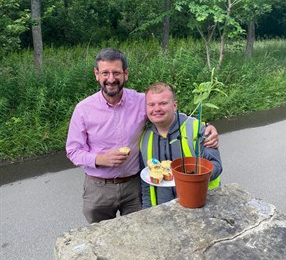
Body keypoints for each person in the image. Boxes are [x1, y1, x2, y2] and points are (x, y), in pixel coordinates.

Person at [66, 48, 219, 223]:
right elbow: (73, 151)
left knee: (140, 231)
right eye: (105, 73)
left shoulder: (140, 101)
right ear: (96, 74)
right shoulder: (84, 109)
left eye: (116, 73)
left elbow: (166, 113)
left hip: (134, 185)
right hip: (98, 187)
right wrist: (99, 159)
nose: (111, 79)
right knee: (101, 237)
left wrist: (204, 126)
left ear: (125, 74)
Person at [140, 82, 222, 208]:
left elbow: (216, 166)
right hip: (164, 210)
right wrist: (147, 210)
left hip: (200, 204)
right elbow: (146, 184)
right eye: (151, 104)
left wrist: (191, 178)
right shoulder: (145, 138)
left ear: (174, 105)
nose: (157, 109)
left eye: (163, 103)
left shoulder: (198, 129)